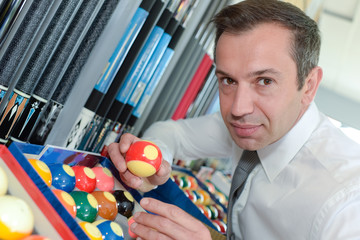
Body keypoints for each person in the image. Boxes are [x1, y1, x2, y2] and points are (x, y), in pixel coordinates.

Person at [108, 0, 360, 239]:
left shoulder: (346, 202)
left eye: (264, 81)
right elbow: (171, 133)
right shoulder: (256, 124)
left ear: (309, 86)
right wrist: (157, 161)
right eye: (228, 80)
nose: (238, 109)